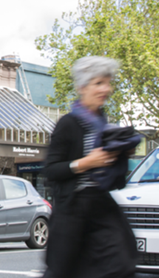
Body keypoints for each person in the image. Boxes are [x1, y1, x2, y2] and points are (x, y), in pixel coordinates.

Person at [42, 56, 137, 278]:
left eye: (108, 82)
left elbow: (114, 178)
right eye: (99, 83)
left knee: (121, 263)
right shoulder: (68, 123)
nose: (106, 89)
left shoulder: (106, 124)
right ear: (82, 88)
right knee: (63, 270)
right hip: (73, 208)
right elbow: (51, 170)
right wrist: (86, 163)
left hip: (101, 205)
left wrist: (121, 156)